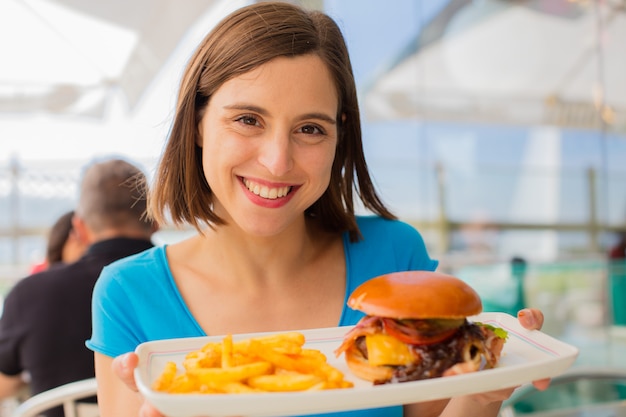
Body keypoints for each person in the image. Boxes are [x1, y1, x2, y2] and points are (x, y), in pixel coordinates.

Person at [86, 3, 549, 417]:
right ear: (198, 123)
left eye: (310, 128)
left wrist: (484, 393)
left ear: (338, 138)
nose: (277, 161)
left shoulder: (394, 259)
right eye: (248, 120)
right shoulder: (128, 294)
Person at [0, 158, 157, 417]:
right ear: (155, 221)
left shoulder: (28, 294)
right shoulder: (189, 284)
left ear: (79, 229)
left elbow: (4, 386)